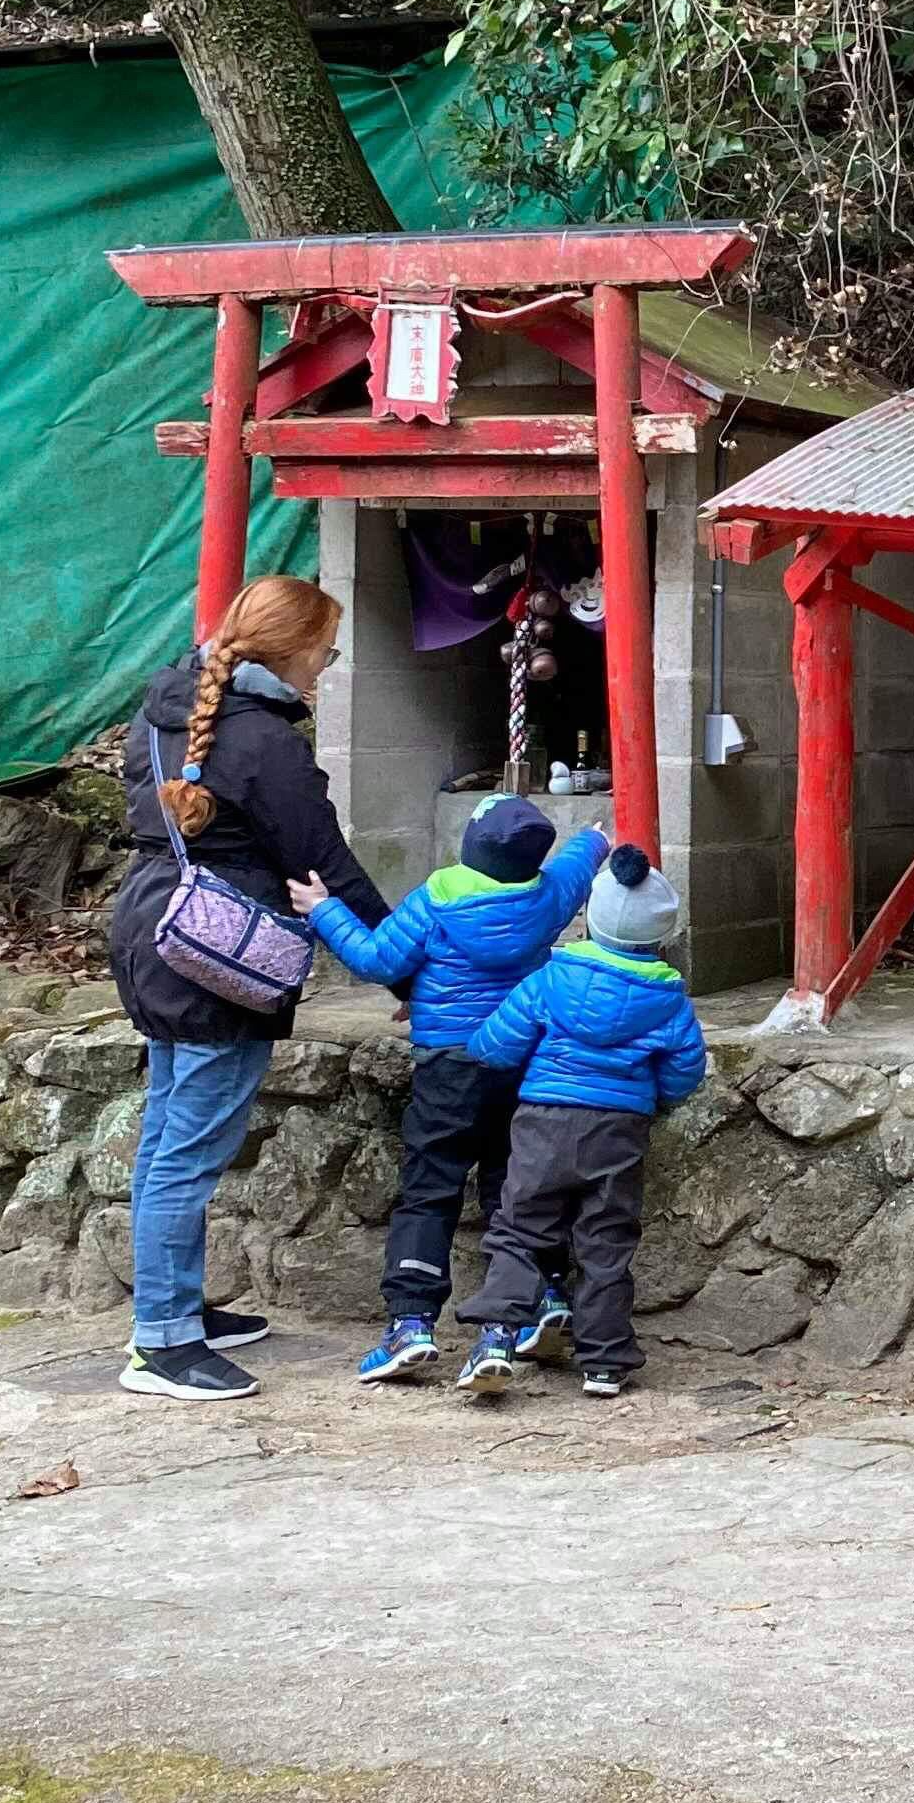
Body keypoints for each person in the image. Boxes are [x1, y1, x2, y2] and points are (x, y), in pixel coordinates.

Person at [105, 573, 385, 1402]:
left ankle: (176, 1309)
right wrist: (400, 956)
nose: (326, 666)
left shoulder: (161, 710)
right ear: (292, 653)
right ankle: (161, 1342)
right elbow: (321, 860)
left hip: (155, 928)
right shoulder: (263, 740)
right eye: (326, 651)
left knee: (166, 1138)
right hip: (219, 955)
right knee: (185, 1157)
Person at [290, 798, 612, 1386]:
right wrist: (594, 838)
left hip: (449, 1066)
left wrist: (323, 909)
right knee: (517, 1189)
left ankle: (411, 1323)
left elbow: (373, 959)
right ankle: (543, 1297)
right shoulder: (548, 896)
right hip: (522, 1061)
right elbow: (578, 862)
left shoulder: (437, 899)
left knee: (429, 1190)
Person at [446, 845, 708, 1400]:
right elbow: (684, 1072)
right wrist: (652, 1092)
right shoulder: (669, 1000)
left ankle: (495, 1340)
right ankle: (605, 1362)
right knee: (606, 1241)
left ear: (591, 917)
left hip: (544, 1120)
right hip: (619, 1127)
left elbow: (494, 1043)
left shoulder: (551, 979)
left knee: (519, 1229)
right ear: (660, 932)